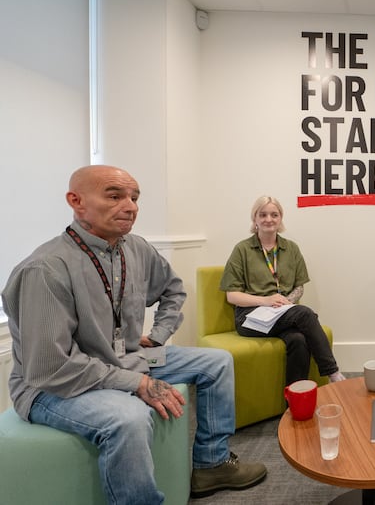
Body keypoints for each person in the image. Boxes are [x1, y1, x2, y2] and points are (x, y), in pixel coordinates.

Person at [1, 165, 267, 503]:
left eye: (135, 197)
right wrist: (137, 383)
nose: (130, 206)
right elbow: (50, 368)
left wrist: (158, 336)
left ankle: (211, 464)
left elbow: (173, 290)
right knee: (129, 418)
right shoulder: (45, 269)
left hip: (127, 358)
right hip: (53, 387)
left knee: (216, 362)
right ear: (76, 201)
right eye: (114, 196)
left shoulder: (135, 248)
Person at [220, 195, 345, 386]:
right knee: (305, 313)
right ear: (255, 219)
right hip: (250, 317)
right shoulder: (242, 249)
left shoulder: (291, 248)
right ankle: (333, 373)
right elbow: (232, 295)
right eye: (263, 214)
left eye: (274, 214)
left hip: (282, 313)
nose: (268, 219)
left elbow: (299, 286)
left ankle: (295, 400)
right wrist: (266, 301)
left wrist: (286, 302)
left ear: (280, 219)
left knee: (298, 340)